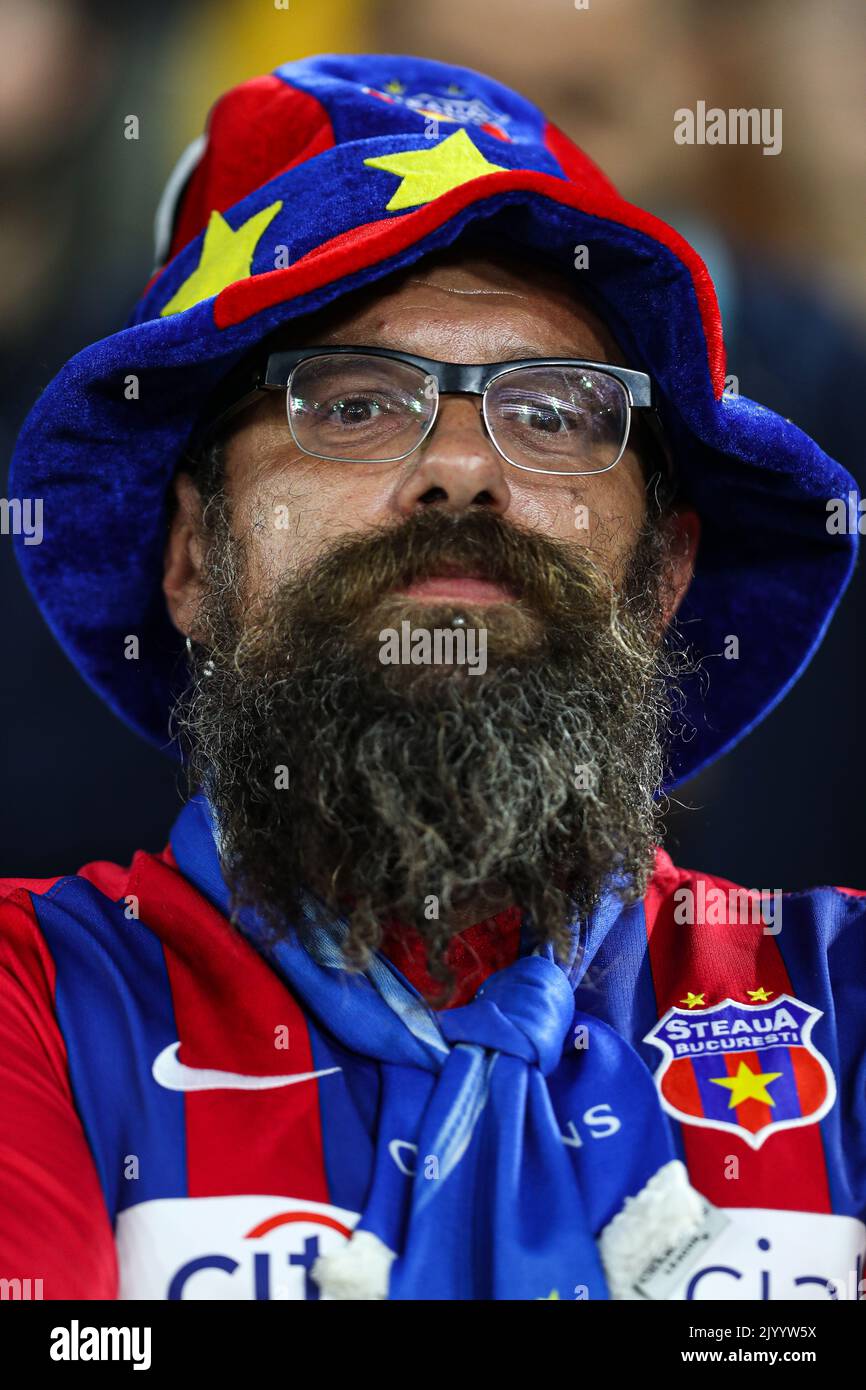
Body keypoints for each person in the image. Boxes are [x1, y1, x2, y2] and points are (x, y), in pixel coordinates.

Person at [2, 54, 864, 1302]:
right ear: (193, 556)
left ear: (665, 573)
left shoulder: (840, 992)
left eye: (559, 413)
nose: (460, 469)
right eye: (352, 404)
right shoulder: (38, 1002)